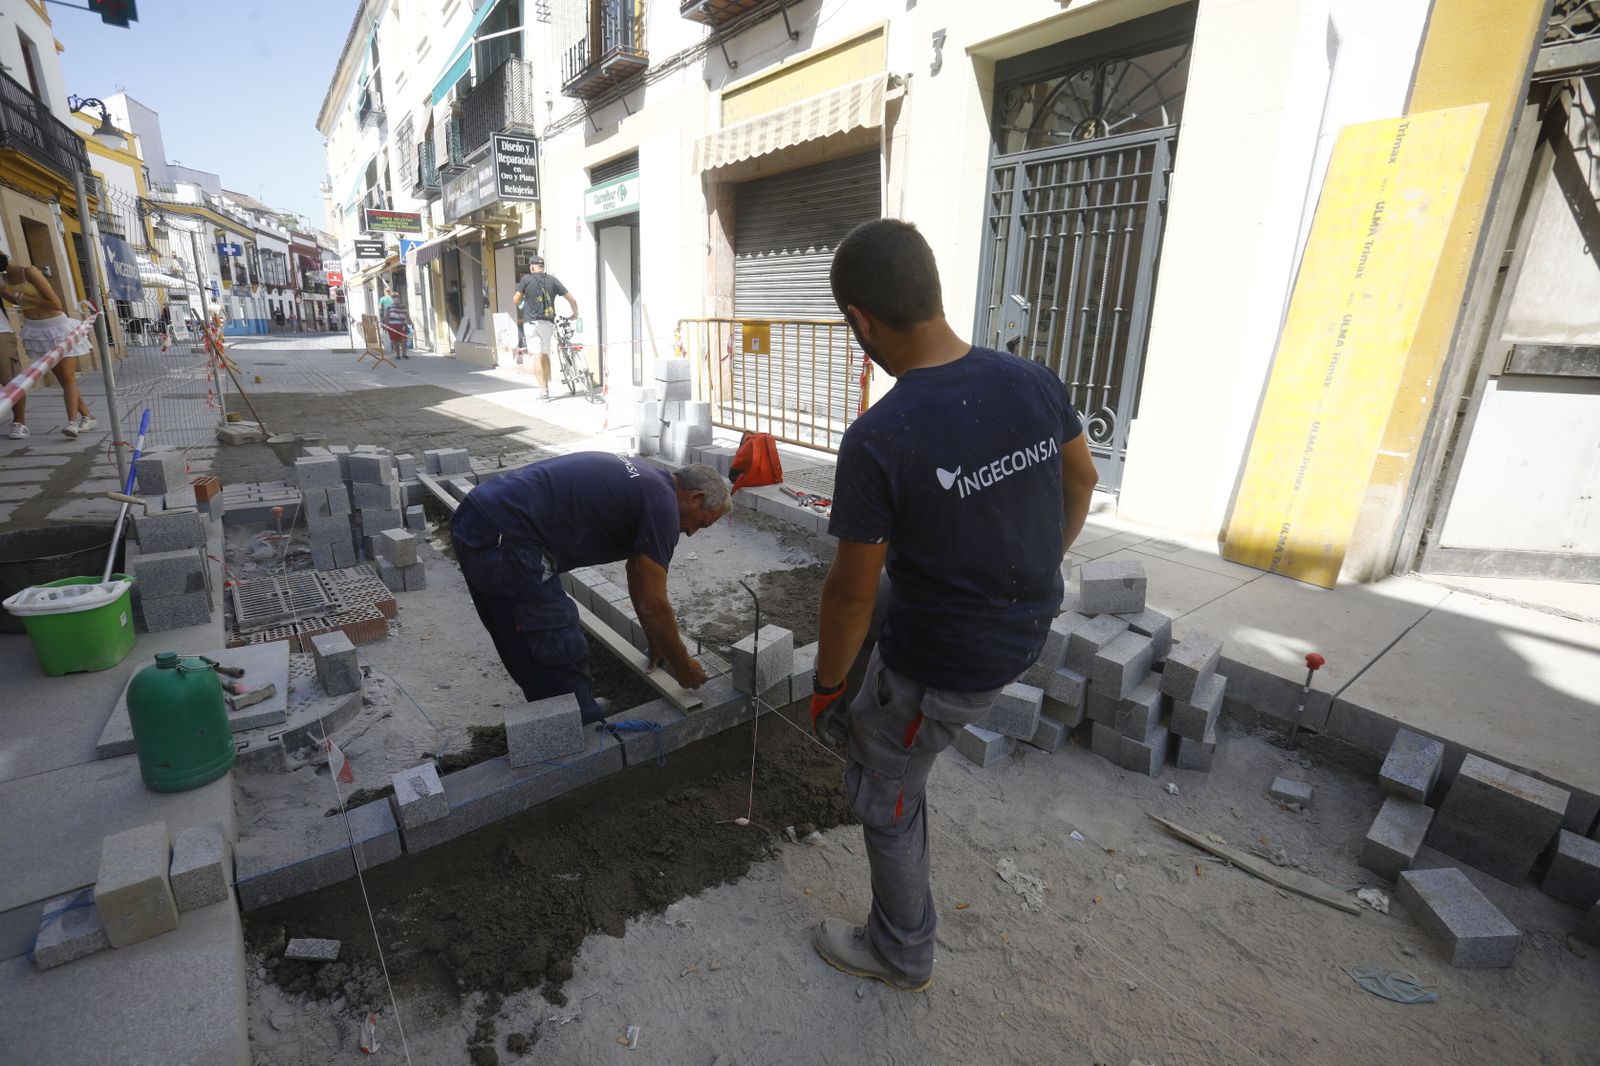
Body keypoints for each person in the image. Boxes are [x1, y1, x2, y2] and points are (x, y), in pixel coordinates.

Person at [807, 220, 1099, 992]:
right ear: (932, 294)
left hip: (950, 662)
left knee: (884, 784)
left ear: (862, 323)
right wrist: (1038, 570)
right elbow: (1083, 483)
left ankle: (901, 951)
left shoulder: (881, 436)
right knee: (902, 592)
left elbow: (849, 593)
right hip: (1023, 628)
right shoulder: (1031, 380)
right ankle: (891, 726)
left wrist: (829, 688)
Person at [450, 455, 730, 723]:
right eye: (702, 523)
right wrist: (682, 664)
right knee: (555, 634)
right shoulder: (664, 507)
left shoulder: (648, 480)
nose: (692, 533)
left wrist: (657, 639)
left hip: (479, 516)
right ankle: (580, 725)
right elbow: (653, 602)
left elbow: (638, 576)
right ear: (695, 498)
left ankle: (557, 719)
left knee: (516, 629)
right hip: (507, 537)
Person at [0, 251, 96, 439]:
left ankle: (72, 423)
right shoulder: (5, 278)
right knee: (63, 378)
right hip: (36, 331)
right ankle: (87, 416)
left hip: (57, 327)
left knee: (68, 377)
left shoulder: (29, 272)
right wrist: (6, 292)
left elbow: (55, 303)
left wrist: (16, 293)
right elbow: (16, 301)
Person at [512, 256, 579, 400]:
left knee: (537, 355)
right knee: (545, 354)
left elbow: (515, 300)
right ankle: (546, 387)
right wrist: (575, 313)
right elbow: (571, 298)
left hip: (531, 323)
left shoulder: (526, 279)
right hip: (548, 323)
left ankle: (543, 391)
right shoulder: (553, 280)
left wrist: (524, 297)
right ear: (542, 266)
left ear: (532, 267)